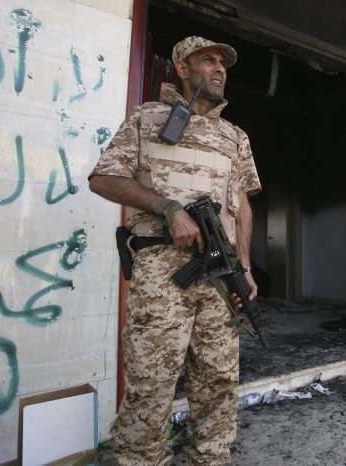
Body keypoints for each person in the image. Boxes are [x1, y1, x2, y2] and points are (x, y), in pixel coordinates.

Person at [88, 35, 261, 466]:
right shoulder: (147, 119)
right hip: (161, 272)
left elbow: (242, 206)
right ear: (182, 68)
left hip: (220, 277)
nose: (220, 68)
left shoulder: (234, 136)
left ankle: (211, 459)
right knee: (152, 383)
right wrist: (167, 208)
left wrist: (245, 266)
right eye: (209, 60)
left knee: (219, 380)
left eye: (224, 63)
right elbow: (103, 179)